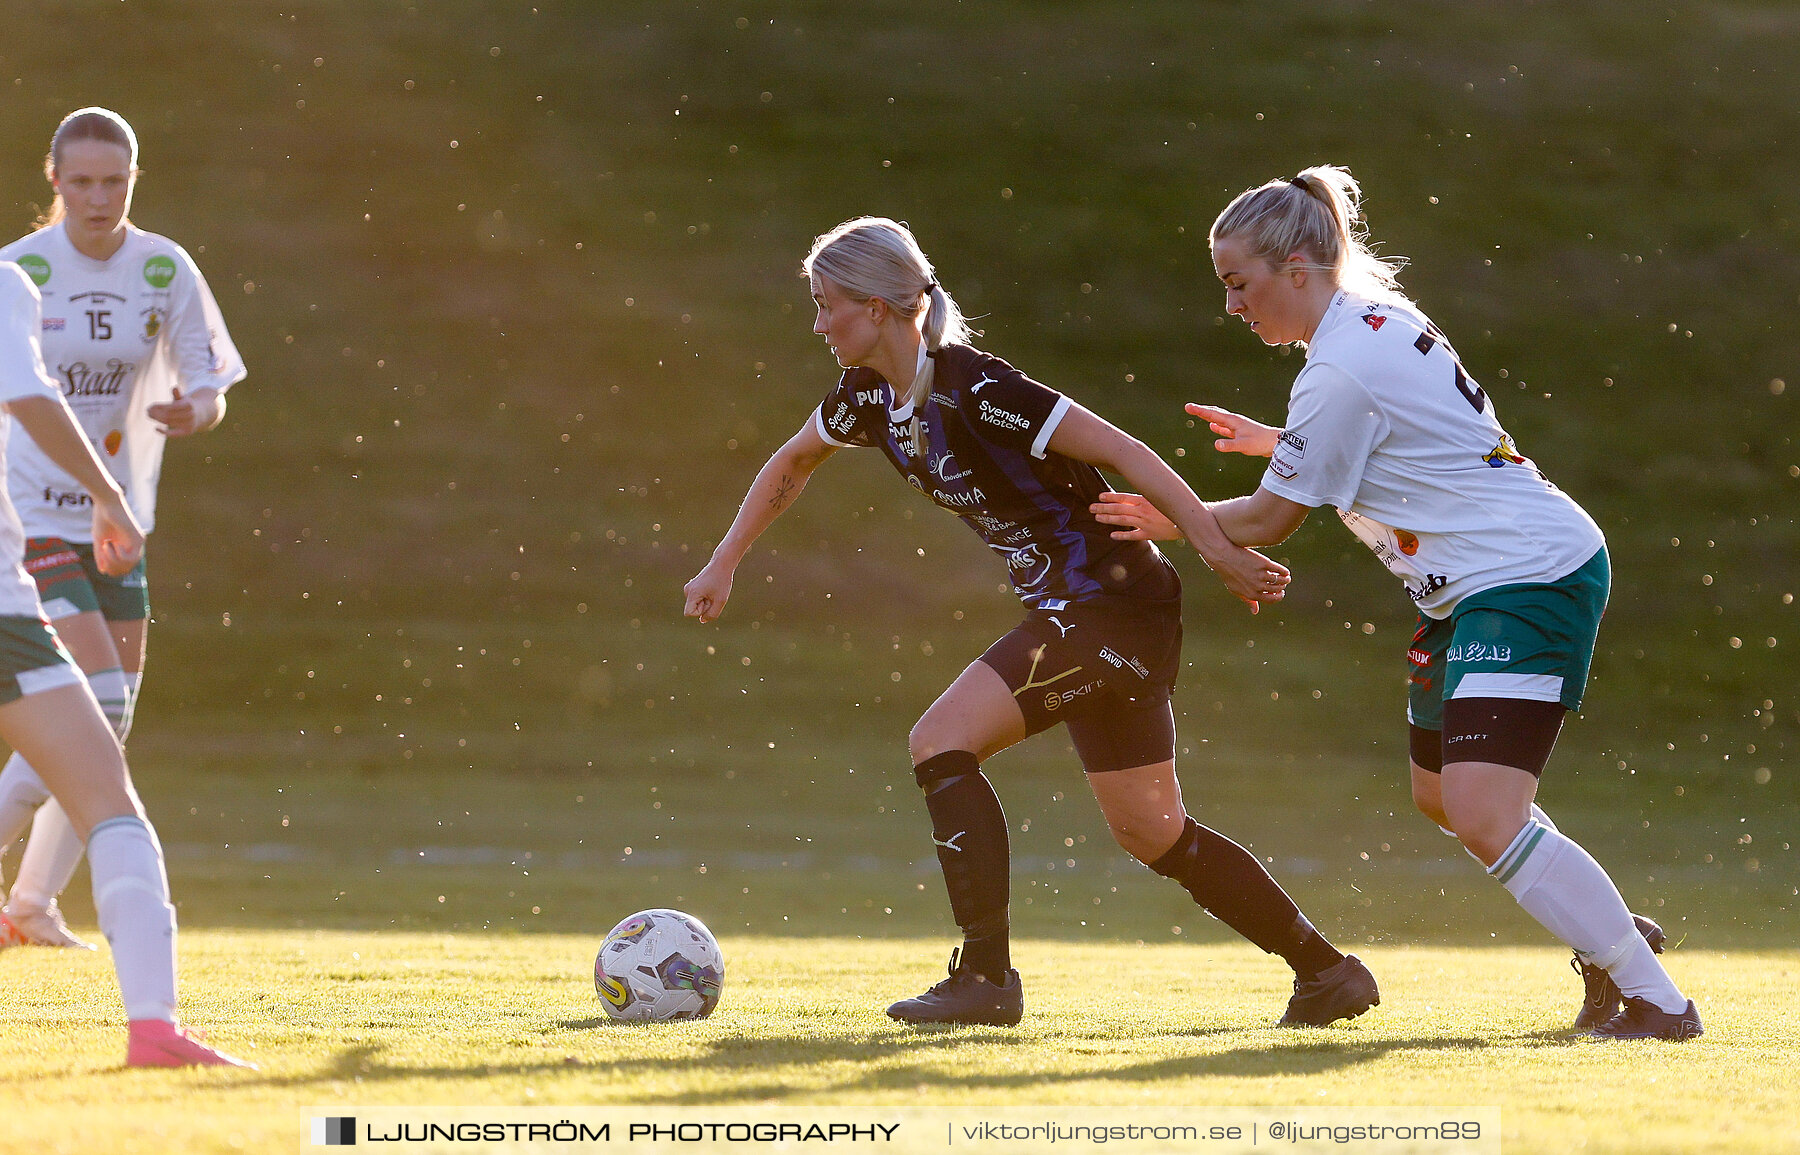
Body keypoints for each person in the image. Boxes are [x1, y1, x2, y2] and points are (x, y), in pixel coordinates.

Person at [683, 217, 1380, 1029]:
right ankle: (1328, 973)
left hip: (1111, 608)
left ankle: (984, 978)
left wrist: (1216, 547)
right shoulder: (869, 398)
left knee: (939, 740)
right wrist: (726, 558)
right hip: (1087, 611)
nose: (817, 322)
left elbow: (1127, 450)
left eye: (825, 303)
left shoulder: (977, 389)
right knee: (1152, 832)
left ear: (876, 307)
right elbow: (792, 459)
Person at [1091, 166, 1699, 1040]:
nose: (1231, 305)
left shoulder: (1340, 369)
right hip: (1469, 586)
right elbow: (1405, 438)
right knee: (1442, 796)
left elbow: (1270, 517)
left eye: (1238, 283)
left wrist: (1173, 517)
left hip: (1527, 573)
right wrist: (1283, 442)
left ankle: (1657, 999)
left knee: (1486, 809)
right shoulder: (1373, 320)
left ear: (1297, 267)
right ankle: (1608, 937)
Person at [0, 108, 244, 949]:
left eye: (115, 181)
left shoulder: (164, 269)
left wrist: (198, 408)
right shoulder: (19, 272)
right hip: (32, 516)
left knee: (110, 721)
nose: (99, 198)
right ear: (54, 180)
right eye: (82, 182)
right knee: (91, 707)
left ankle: (30, 905)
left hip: (122, 521)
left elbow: (212, 384)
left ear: (134, 178)